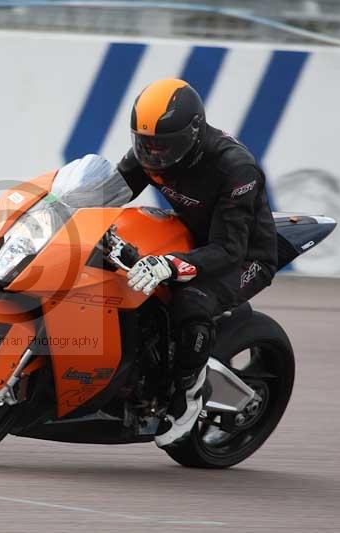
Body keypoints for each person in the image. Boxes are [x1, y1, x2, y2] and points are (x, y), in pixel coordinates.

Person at [116, 78, 278, 448]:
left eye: (162, 146)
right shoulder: (151, 153)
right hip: (191, 239)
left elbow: (228, 250)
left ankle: (187, 398)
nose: (153, 155)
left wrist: (169, 265)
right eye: (144, 144)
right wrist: (58, 204)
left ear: (192, 132)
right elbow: (108, 193)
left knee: (191, 301)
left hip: (242, 255)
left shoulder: (236, 169)